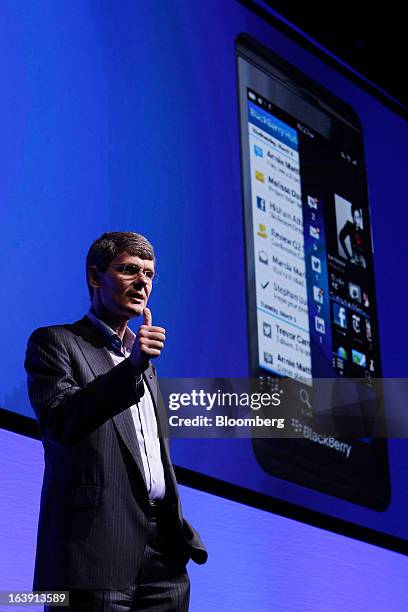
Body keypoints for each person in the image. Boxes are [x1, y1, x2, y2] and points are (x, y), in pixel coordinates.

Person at [25, 231, 207, 611]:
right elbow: (61, 422)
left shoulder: (146, 365)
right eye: (129, 270)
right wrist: (133, 368)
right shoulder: (56, 343)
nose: (143, 282)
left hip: (164, 557)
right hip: (94, 551)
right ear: (95, 277)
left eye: (149, 274)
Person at [338, 203, 366, 268]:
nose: (356, 220)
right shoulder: (349, 226)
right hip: (354, 262)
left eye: (358, 217)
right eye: (354, 217)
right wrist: (349, 257)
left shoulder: (363, 232)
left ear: (361, 217)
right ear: (352, 217)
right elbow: (341, 237)